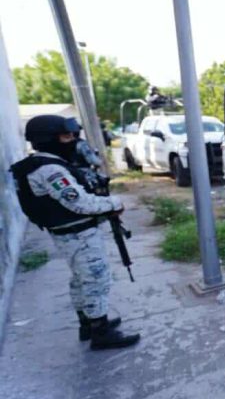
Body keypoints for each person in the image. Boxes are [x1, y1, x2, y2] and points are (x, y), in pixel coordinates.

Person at [10, 115, 141, 350]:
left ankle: (89, 324)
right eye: (65, 136)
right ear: (48, 139)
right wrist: (114, 203)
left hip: (69, 233)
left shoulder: (43, 164)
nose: (72, 140)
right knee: (95, 278)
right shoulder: (49, 169)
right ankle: (100, 332)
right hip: (78, 234)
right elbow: (80, 203)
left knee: (81, 278)